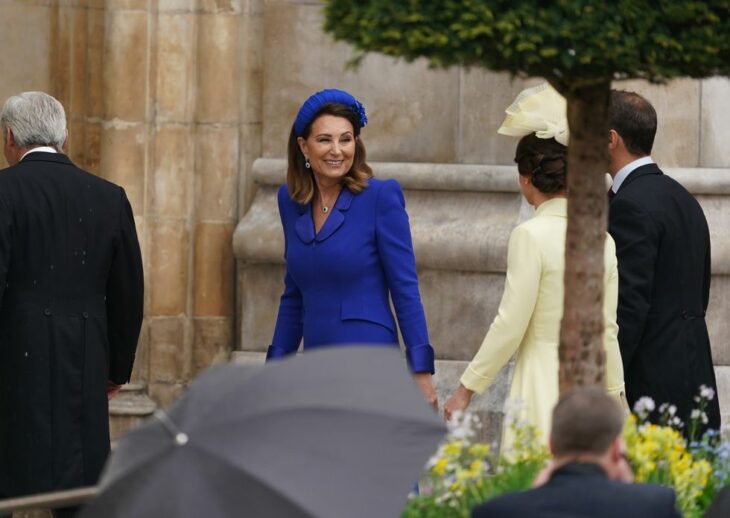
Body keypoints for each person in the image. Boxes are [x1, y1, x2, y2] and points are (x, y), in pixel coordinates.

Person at [444, 84, 625, 449]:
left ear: (526, 180)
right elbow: (607, 330)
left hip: (543, 385)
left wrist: (466, 388)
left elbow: (510, 323)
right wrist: (618, 396)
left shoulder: (529, 235)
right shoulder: (602, 240)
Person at [0, 92, 144, 515]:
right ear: (66, 136)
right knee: (79, 490)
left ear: (8, 137)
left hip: (13, 362)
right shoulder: (109, 197)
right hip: (84, 362)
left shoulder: (2, 191)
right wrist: (117, 369)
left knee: (13, 482)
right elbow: (127, 293)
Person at [267, 88, 437, 408]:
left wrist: (421, 370)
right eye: (325, 140)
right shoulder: (290, 201)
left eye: (346, 139)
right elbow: (294, 293)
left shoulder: (380, 197)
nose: (337, 150)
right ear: (303, 146)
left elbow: (405, 287)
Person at [607, 90, 720, 432]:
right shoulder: (684, 198)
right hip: (695, 368)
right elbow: (699, 293)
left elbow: (628, 306)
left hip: (651, 380)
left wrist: (606, 380)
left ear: (610, 139)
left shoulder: (628, 206)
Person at [471, 387, 682, 518]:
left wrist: (533, 495)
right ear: (617, 449)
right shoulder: (656, 506)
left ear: (551, 445)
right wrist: (631, 489)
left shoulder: (495, 512)